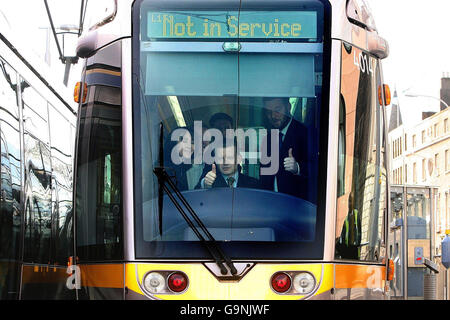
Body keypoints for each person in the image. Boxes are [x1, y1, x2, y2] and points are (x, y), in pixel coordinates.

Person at [259, 97, 309, 200]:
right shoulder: (268, 138)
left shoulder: (304, 133)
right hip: (270, 204)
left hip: (297, 205)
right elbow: (264, 176)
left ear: (288, 107)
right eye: (268, 112)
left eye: (277, 110)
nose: (273, 116)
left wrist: (298, 168)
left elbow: (318, 169)